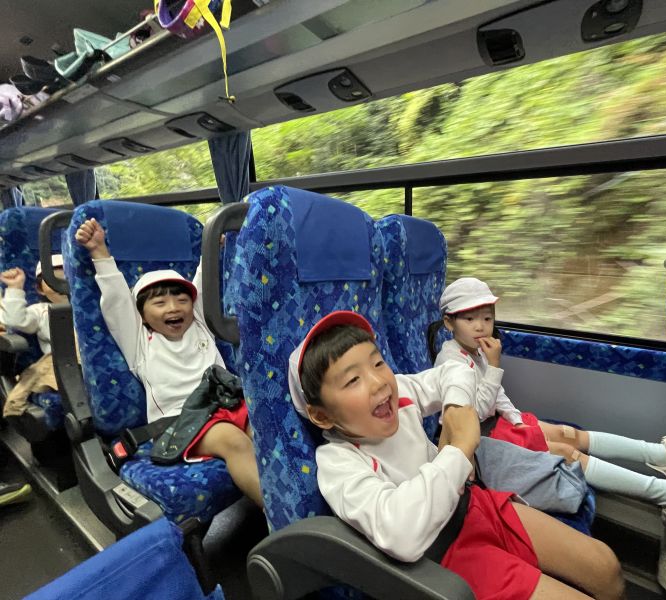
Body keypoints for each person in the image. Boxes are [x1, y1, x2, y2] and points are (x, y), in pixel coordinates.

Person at [289, 310, 625, 600]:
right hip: (446, 552)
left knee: (606, 566)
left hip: (475, 505)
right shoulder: (338, 462)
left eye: (378, 362)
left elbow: (455, 370)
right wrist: (458, 450)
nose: (379, 382)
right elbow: (401, 533)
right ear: (321, 415)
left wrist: (455, 408)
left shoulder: (400, 393)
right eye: (352, 380)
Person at [429, 277, 666, 536]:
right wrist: (495, 367)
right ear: (448, 322)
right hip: (473, 443)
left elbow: (496, 397)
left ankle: (661, 456)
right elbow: (472, 415)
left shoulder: (476, 351)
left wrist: (517, 419)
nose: (481, 327)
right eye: (470, 319)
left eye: (487, 318)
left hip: (495, 425)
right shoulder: (450, 362)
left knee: (567, 433)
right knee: (569, 454)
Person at [75, 218, 262, 508]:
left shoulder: (201, 323)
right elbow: (117, 300)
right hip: (184, 420)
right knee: (234, 442)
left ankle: (306, 505)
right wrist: (99, 250)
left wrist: (211, 250)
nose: (174, 308)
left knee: (266, 432)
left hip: (230, 403)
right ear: (142, 315)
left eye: (182, 300)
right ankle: (286, 520)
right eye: (159, 303)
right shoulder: (140, 341)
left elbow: (205, 281)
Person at [0, 256, 67, 418]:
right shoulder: (42, 311)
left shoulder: (91, 309)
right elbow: (15, 320)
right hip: (63, 366)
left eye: (66, 279)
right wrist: (15, 288)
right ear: (40, 289)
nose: (62, 285)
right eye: (53, 280)